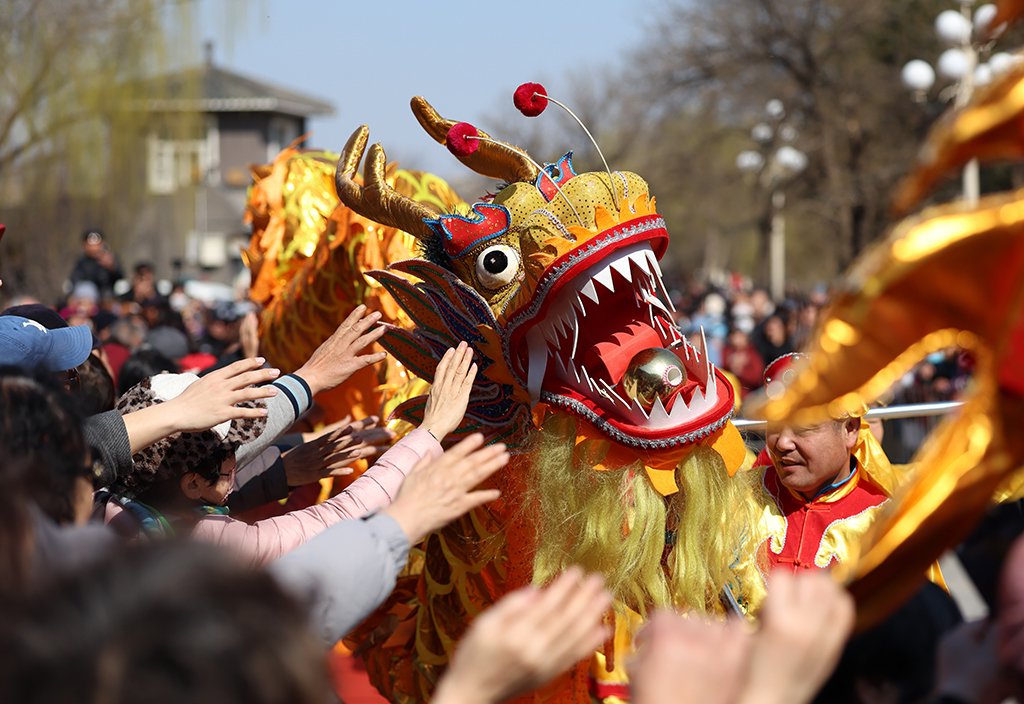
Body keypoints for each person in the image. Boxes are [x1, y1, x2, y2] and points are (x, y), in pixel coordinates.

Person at [99, 343, 478, 565]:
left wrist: (309, 379)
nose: (239, 458)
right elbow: (339, 516)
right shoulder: (208, 545)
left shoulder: (104, 496)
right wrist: (431, 430)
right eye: (231, 452)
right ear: (194, 483)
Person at [755, 353, 892, 572]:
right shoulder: (737, 500)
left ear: (850, 430)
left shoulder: (887, 527)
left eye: (803, 428)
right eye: (775, 425)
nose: (782, 443)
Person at [68, 228, 123, 297]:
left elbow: (121, 278)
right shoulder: (82, 262)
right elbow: (75, 280)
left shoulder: (110, 259)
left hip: (108, 296)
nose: (94, 248)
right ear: (85, 245)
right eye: (90, 245)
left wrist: (111, 267)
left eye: (97, 244)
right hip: (88, 298)